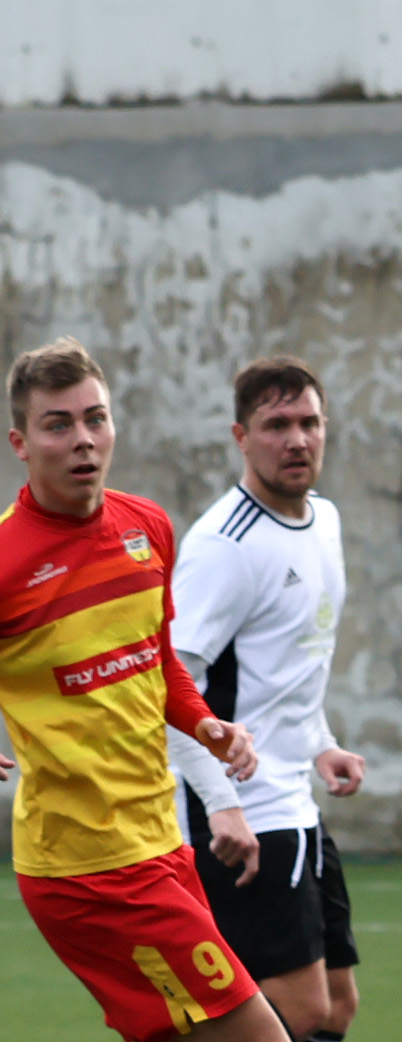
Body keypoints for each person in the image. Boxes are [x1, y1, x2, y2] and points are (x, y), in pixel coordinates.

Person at [0, 336, 287, 1042]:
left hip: (161, 839)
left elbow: (156, 661)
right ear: (21, 444)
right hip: (88, 867)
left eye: (95, 418)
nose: (82, 439)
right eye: (58, 425)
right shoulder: (6, 560)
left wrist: (207, 725)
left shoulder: (147, 526)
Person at [165, 356, 366, 1042]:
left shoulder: (325, 522)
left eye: (309, 422)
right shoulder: (225, 546)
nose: (296, 440)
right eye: (276, 425)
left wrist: (321, 742)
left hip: (295, 798)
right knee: (297, 1011)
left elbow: (292, 666)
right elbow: (170, 685)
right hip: (240, 811)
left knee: (336, 1006)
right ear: (241, 437)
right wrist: (221, 804)